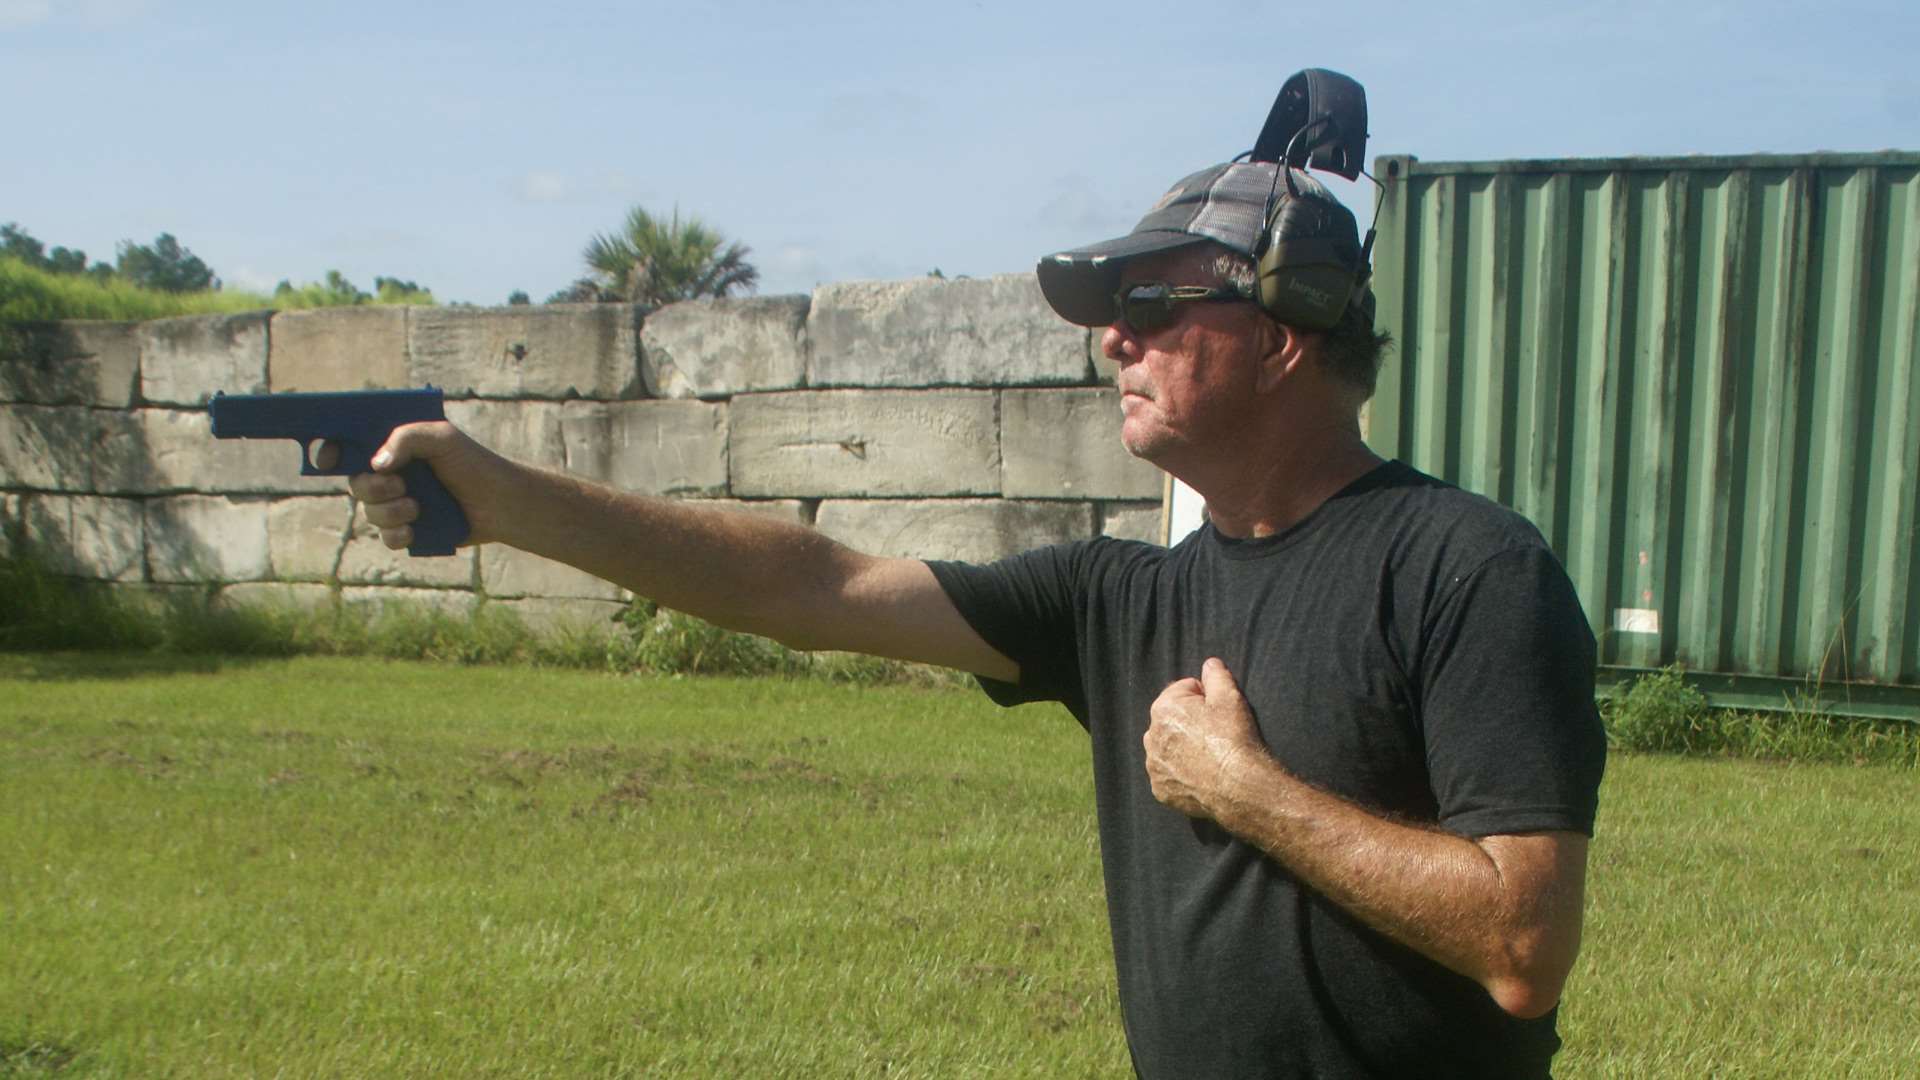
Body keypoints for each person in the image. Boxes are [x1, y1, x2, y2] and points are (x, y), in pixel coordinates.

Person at [346, 160, 1605, 1078]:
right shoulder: (1122, 596)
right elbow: (812, 588)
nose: (1116, 339)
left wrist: (1243, 790)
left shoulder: (1465, 569)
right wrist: (506, 499)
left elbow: (1521, 941)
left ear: (1288, 332)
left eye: (1157, 307)